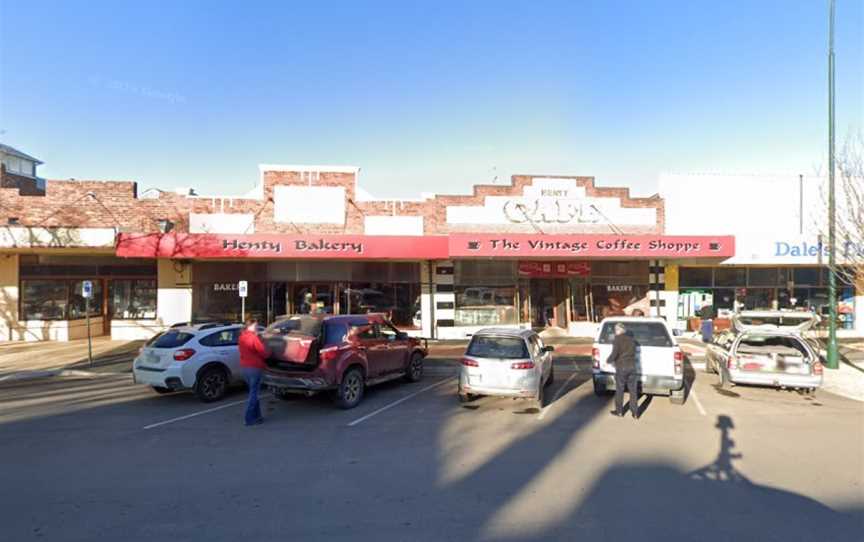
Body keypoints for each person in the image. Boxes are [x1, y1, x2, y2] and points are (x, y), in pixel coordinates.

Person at [238, 317, 269, 426]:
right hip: (255, 367)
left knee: (253, 391)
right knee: (254, 394)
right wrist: (269, 355)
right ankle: (249, 418)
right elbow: (262, 352)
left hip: (244, 367)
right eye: (255, 325)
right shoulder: (253, 338)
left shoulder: (241, 337)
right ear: (251, 326)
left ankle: (257, 416)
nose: (256, 327)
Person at [607, 322, 640, 419]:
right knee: (633, 391)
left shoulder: (617, 339)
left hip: (621, 367)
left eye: (615, 330)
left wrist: (608, 361)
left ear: (618, 330)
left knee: (620, 390)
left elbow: (614, 354)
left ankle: (619, 411)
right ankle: (635, 413)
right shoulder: (632, 340)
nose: (615, 332)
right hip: (632, 367)